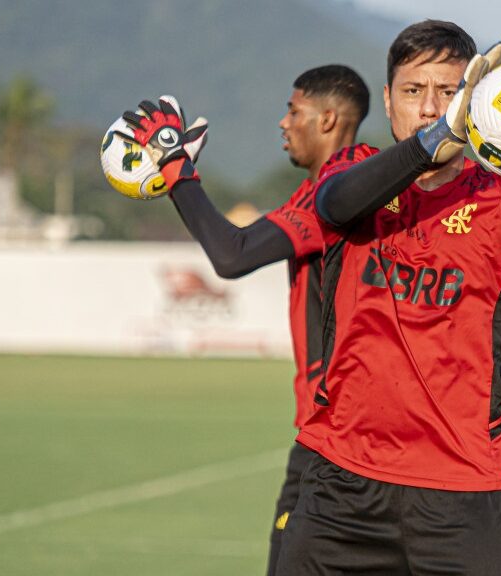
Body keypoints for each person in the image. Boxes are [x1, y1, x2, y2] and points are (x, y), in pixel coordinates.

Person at [275, 20, 501, 575]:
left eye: (450, 93)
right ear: (388, 101)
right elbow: (334, 206)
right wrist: (435, 141)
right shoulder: (351, 178)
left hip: (469, 493)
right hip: (342, 489)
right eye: (414, 91)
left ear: (476, 103)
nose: (431, 108)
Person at [116, 64, 372, 576]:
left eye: (292, 110)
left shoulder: (337, 188)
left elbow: (232, 255)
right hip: (344, 435)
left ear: (326, 119)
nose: (283, 122)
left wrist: (176, 168)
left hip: (337, 443)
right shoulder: (355, 179)